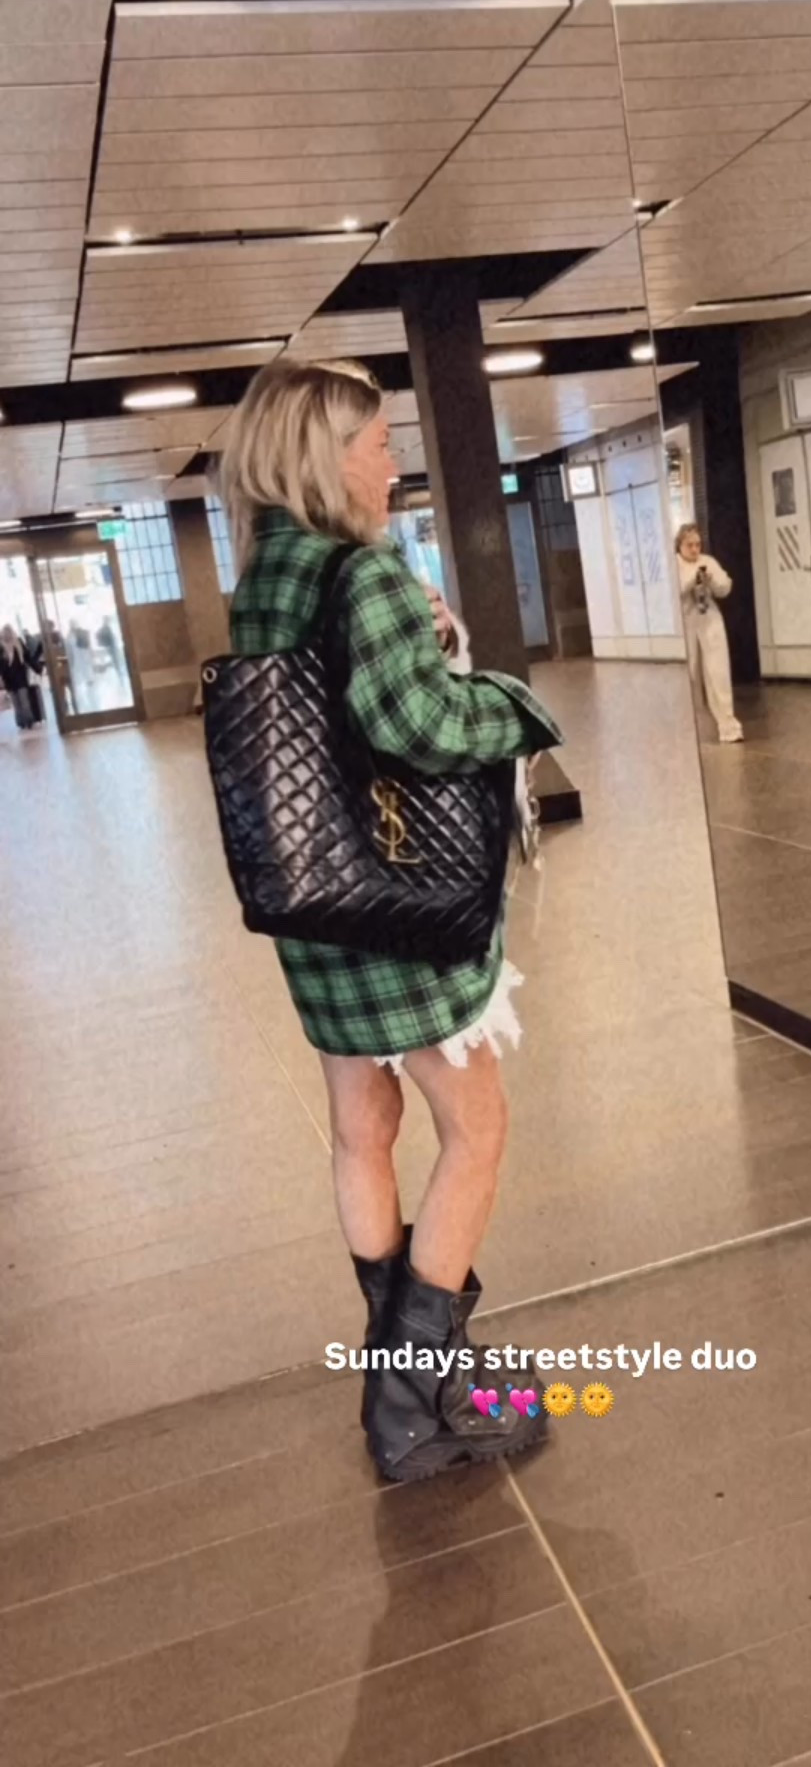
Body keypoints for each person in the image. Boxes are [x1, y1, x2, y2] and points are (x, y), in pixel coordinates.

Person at [220, 358, 562, 1483]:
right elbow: (411, 721)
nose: (392, 458)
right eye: (375, 442)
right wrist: (511, 701)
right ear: (327, 456)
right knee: (478, 1129)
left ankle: (409, 1366)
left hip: (313, 901)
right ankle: (413, 1405)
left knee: (363, 1129)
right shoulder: (356, 573)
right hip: (394, 901)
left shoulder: (267, 571)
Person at [674, 522, 743, 744]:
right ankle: (693, 728)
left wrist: (712, 579)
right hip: (685, 620)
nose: (695, 549)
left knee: (718, 672)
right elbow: (673, 591)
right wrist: (690, 581)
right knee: (690, 675)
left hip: (709, 619)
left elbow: (725, 587)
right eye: (689, 545)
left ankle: (728, 726)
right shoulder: (673, 564)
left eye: (697, 544)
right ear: (680, 545)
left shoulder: (708, 562)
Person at [0, 623, 42, 730]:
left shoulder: (18, 643)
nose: (8, 635)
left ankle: (28, 721)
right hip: (9, 679)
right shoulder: (1, 647)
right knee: (16, 702)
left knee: (23, 700)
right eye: (6, 632)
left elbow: (27, 657)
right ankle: (22, 722)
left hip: (20, 677)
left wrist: (37, 669)